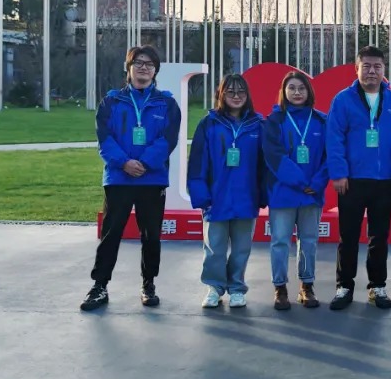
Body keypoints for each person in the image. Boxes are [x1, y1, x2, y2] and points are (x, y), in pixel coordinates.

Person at [81, 45, 181, 311]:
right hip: (119, 178)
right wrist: (124, 163)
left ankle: (149, 284)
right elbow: (105, 138)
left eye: (149, 64)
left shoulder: (167, 104)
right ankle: (99, 286)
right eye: (138, 63)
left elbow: (168, 139)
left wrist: (145, 163)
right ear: (128, 68)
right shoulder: (111, 102)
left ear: (155, 71)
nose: (143, 68)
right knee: (111, 233)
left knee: (151, 235)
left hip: (152, 179)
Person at [326, 45, 391, 311]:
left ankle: (377, 286)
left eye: (377, 66)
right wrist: (339, 173)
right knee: (348, 236)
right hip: (351, 180)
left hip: (383, 179)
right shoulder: (343, 100)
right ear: (357, 68)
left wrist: (385, 154)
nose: (372, 71)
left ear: (384, 70)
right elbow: (334, 138)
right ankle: (344, 286)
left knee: (379, 237)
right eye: (367, 66)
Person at [187, 74, 265, 309]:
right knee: (214, 247)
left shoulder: (258, 125)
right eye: (230, 91)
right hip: (216, 197)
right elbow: (197, 162)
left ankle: (237, 288)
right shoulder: (209, 124)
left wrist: (262, 194)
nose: (236, 96)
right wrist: (201, 195)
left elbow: (265, 164)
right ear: (220, 94)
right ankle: (214, 287)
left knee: (242, 248)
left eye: (241, 91)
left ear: (247, 95)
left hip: (246, 197)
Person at [263, 71, 329, 310]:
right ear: (284, 91)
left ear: (309, 91)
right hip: (283, 192)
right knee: (280, 241)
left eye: (301, 88)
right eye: (291, 88)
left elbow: (330, 155)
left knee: (309, 241)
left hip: (312, 193)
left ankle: (306, 286)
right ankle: (280, 288)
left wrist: (318, 182)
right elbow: (274, 156)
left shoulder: (322, 121)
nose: (297, 92)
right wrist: (302, 182)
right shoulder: (274, 121)